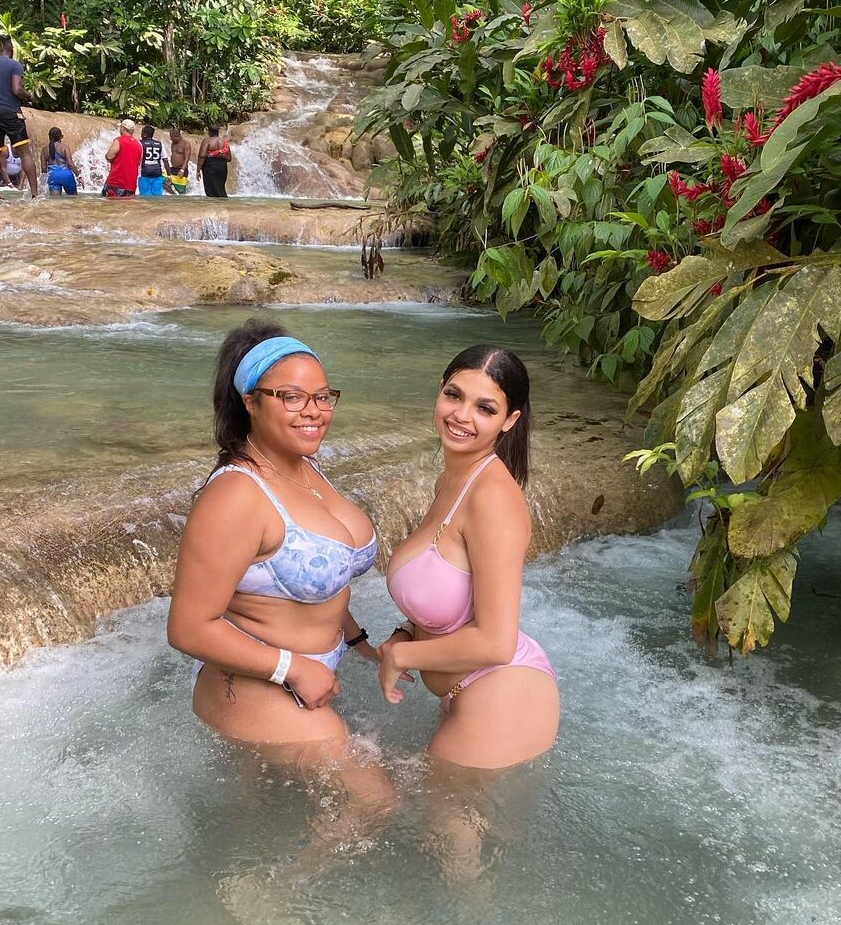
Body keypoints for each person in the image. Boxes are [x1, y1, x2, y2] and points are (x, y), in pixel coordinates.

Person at [167, 321, 392, 876]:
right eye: (291, 397)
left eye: (322, 396)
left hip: (306, 675)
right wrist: (292, 668)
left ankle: (236, 878)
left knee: (259, 815)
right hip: (255, 685)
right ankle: (269, 896)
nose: (313, 411)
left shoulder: (306, 466)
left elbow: (320, 579)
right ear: (251, 403)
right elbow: (188, 626)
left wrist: (358, 641)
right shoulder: (237, 495)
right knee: (375, 801)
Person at [379, 345, 560, 770]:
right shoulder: (451, 479)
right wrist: (405, 633)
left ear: (509, 420)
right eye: (454, 395)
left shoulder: (492, 498)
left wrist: (402, 657)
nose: (461, 415)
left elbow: (497, 643)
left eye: (485, 408)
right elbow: (449, 590)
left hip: (502, 696)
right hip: (468, 693)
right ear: (439, 390)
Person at [0, 34, 38, 199]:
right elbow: (17, 89)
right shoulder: (15, 65)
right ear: (10, 48)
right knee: (25, 153)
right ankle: (35, 194)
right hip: (11, 112)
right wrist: (30, 96)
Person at [101, 118, 142, 197]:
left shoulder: (118, 141)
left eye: (120, 127)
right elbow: (138, 162)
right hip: (131, 185)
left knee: (109, 203)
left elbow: (109, 156)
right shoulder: (139, 144)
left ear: (123, 128)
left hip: (115, 182)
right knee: (126, 204)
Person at [42, 126, 80, 195]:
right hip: (66, 175)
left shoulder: (44, 150)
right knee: (73, 199)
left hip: (52, 175)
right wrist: (78, 176)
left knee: (55, 201)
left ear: (49, 136)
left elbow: (43, 168)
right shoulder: (64, 147)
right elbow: (70, 164)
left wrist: (44, 182)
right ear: (61, 136)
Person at [197, 124, 231, 197]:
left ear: (209, 132)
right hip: (222, 167)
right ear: (217, 132)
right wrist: (220, 154)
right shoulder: (224, 142)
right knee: (220, 188)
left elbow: (202, 155)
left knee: (210, 190)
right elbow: (229, 159)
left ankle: (212, 203)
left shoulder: (207, 141)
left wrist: (198, 170)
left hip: (210, 166)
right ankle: (223, 202)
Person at [137, 124, 164, 196]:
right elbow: (165, 159)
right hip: (157, 174)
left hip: (144, 174)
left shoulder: (140, 143)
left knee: (145, 197)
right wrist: (169, 175)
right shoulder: (159, 144)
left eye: (142, 133)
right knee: (157, 197)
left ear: (145, 134)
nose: (141, 135)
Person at [164, 126, 191, 194]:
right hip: (173, 169)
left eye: (171, 137)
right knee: (161, 179)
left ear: (176, 136)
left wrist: (182, 170)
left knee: (180, 192)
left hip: (181, 170)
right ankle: (173, 195)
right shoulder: (173, 143)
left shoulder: (186, 144)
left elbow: (187, 158)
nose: (170, 139)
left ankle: (176, 196)